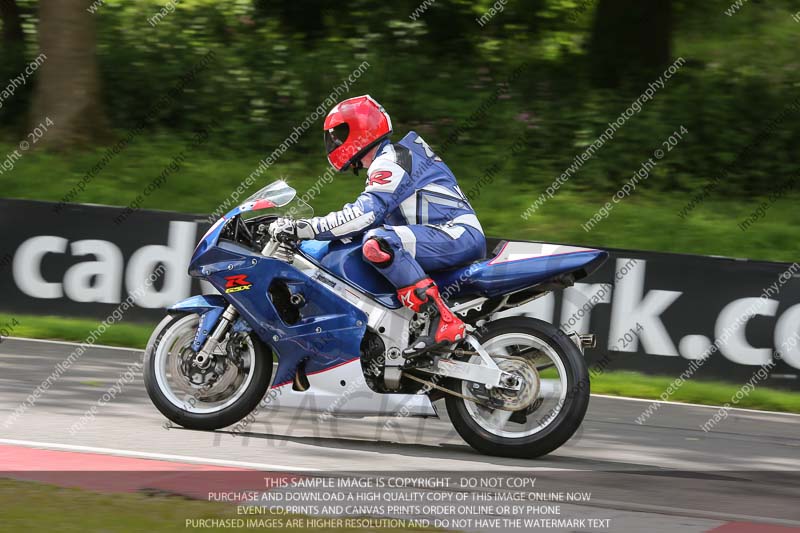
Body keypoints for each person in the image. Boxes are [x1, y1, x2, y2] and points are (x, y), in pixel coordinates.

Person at [269, 95, 486, 354]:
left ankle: (442, 320)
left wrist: (306, 228)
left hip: (455, 234)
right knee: (364, 243)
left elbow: (363, 215)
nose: (335, 142)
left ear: (360, 128)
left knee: (378, 243)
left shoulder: (392, 160)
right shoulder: (395, 158)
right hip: (446, 234)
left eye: (339, 134)